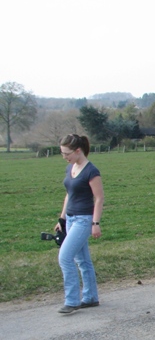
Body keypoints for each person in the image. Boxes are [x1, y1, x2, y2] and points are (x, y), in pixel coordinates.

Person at [55, 134, 104, 314]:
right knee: (82, 260)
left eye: (67, 153)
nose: (64, 157)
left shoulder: (91, 171)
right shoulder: (71, 168)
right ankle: (90, 298)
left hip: (84, 220)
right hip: (71, 218)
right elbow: (69, 194)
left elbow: (98, 198)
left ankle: (72, 300)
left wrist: (95, 223)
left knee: (65, 257)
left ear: (78, 151)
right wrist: (62, 219)